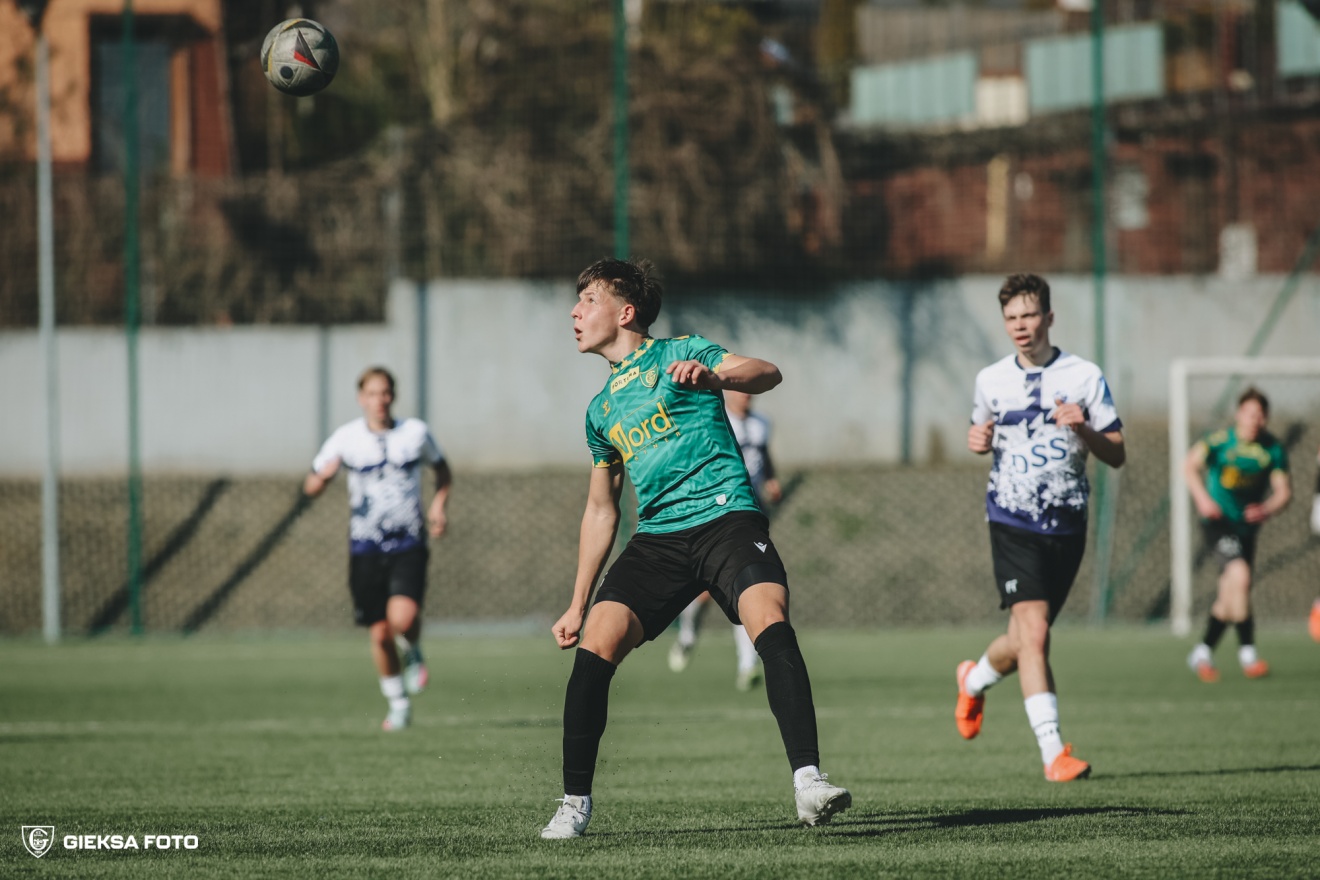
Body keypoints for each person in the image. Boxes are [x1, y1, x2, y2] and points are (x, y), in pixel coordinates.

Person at [540, 258, 850, 839]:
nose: (575, 312)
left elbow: (767, 372)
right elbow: (602, 510)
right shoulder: (600, 411)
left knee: (769, 618)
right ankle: (574, 804)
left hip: (726, 519)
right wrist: (578, 602)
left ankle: (808, 781)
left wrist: (716, 378)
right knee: (595, 648)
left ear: (625, 312)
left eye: (588, 300)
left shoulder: (682, 351)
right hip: (658, 540)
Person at [954, 273, 1125, 783]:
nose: (1020, 326)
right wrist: (977, 442)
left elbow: (1117, 453)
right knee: (1035, 632)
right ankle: (1053, 753)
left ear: (1048, 316)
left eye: (1029, 315)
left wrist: (1084, 428)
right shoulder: (990, 380)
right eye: (1011, 318)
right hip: (1011, 519)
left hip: (1067, 523)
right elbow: (981, 432)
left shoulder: (1085, 375)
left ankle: (973, 680)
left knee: (1022, 639)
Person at [303, 366, 452, 731]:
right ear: (361, 398)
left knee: (403, 619)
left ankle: (413, 649)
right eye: (372, 393)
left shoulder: (414, 433)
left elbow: (442, 470)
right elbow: (310, 486)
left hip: (408, 542)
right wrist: (323, 477)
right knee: (380, 633)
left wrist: (438, 505)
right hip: (365, 547)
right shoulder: (345, 438)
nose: (379, 400)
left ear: (393, 396)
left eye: (385, 393)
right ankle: (398, 704)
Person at [667, 389, 784, 691]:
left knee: (747, 586)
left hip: (751, 513)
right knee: (705, 591)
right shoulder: (714, 419)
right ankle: (687, 635)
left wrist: (771, 481)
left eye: (750, 390)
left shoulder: (761, 423)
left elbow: (763, 458)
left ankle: (747, 664)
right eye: (740, 389)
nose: (746, 395)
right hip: (718, 512)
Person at [1183, 388, 1291, 680]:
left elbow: (1284, 492)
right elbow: (1190, 465)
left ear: (1266, 418)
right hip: (1218, 523)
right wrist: (1203, 500)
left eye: (1260, 415)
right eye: (1250, 413)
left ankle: (1202, 652)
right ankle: (1248, 654)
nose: (1255, 420)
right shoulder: (1219, 441)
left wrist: (1267, 509)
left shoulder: (1272, 450)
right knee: (1240, 577)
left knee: (1230, 595)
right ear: (1239, 414)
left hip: (1246, 529)